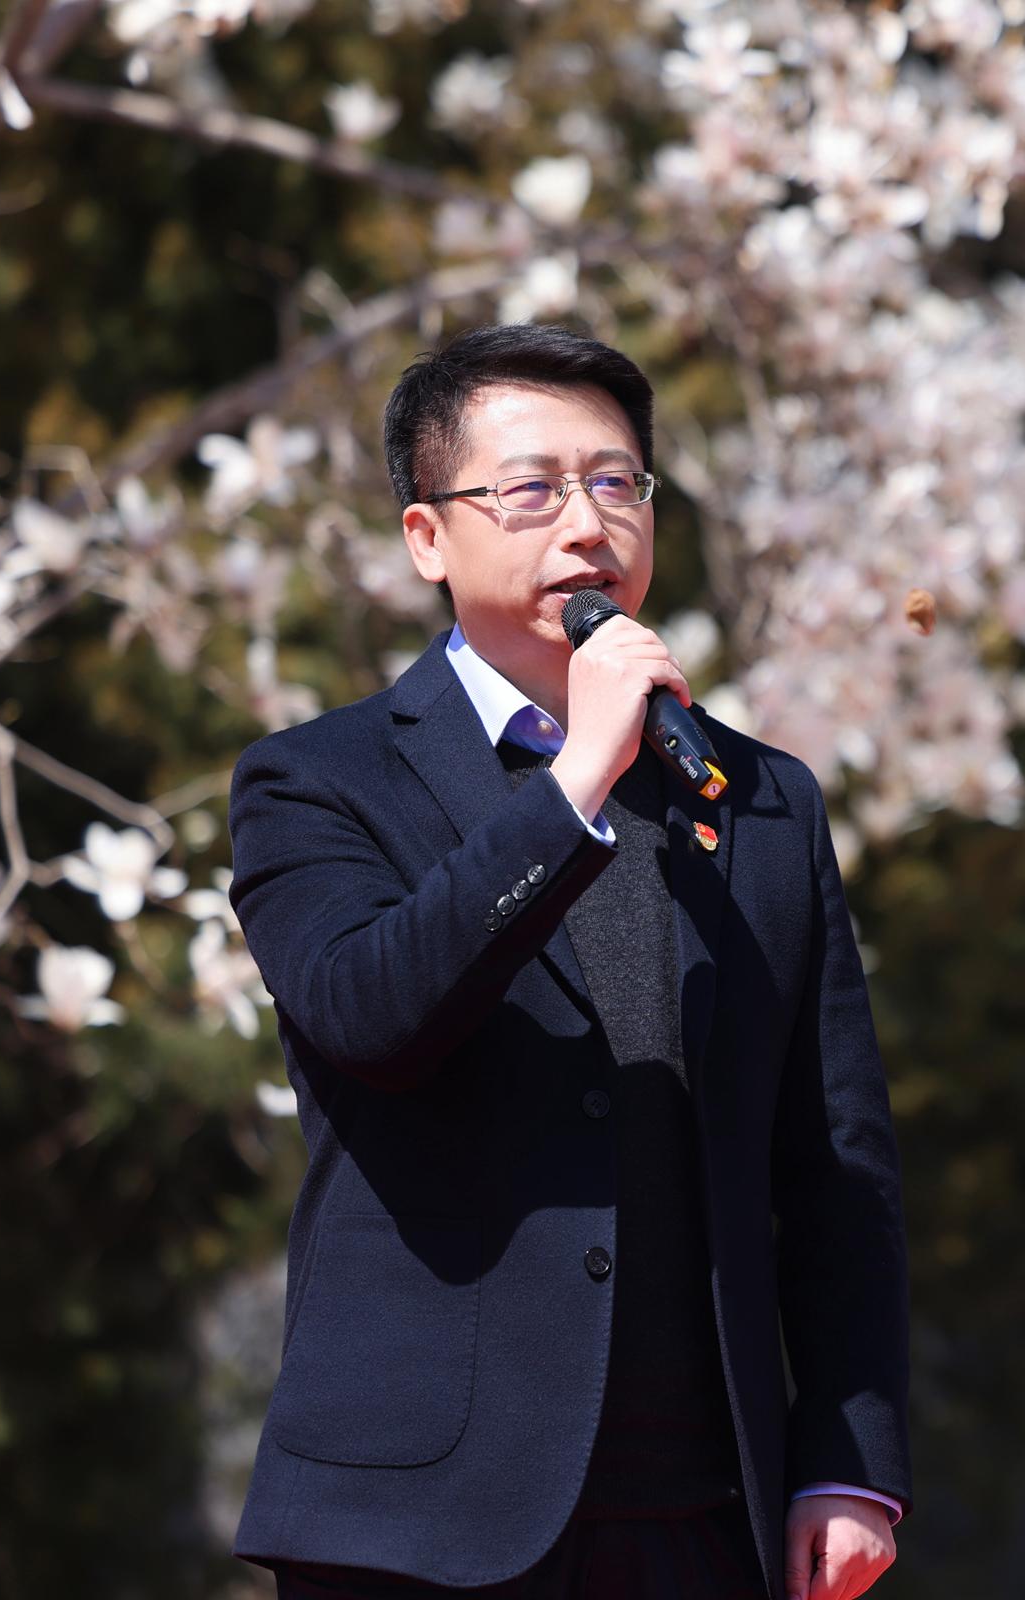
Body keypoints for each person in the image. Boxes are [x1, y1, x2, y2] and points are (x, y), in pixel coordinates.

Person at [225, 323, 911, 1600]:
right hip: (416, 1525)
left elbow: (835, 1163)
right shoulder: (316, 780)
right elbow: (373, 1014)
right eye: (531, 489)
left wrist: (848, 1459)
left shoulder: (761, 799)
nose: (588, 525)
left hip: (704, 1516)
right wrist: (575, 778)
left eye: (615, 483)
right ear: (427, 537)